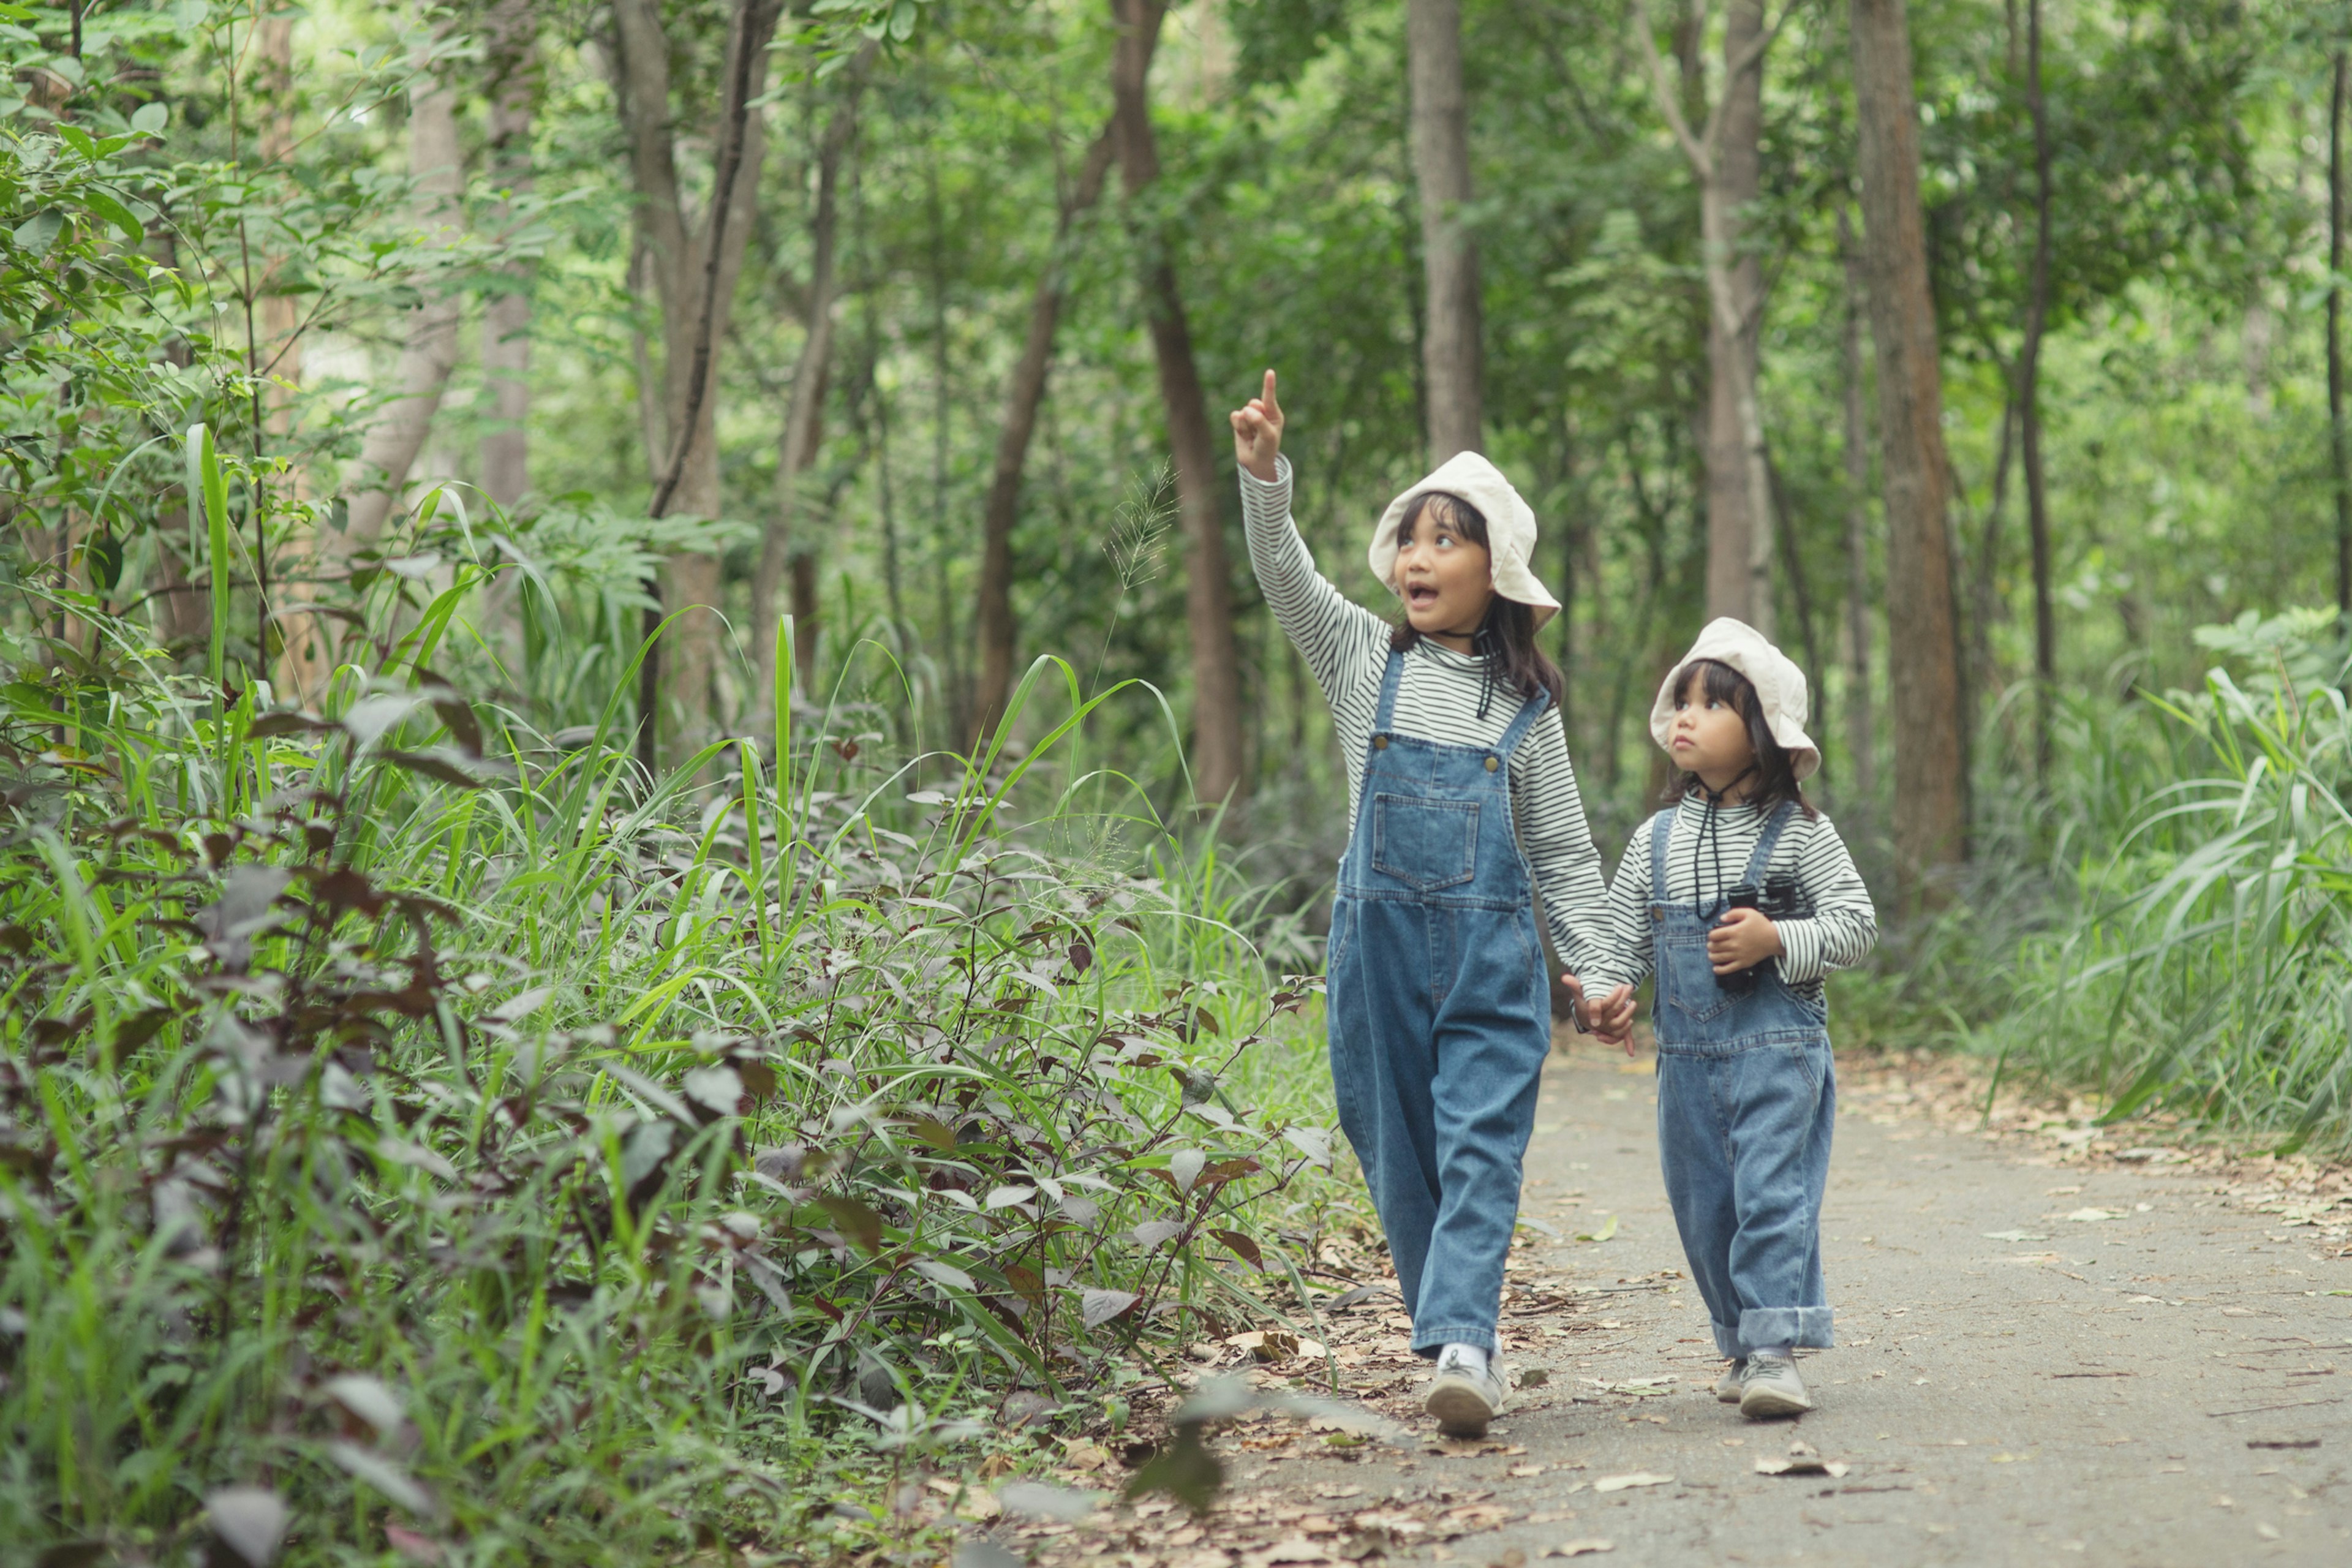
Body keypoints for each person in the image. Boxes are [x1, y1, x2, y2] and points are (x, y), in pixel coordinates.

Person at [1228, 371, 1634, 1438]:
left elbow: (1560, 846)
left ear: (1495, 571)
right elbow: (1287, 577)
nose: (1416, 556)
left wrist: (1598, 966)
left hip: (1493, 959)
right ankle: (1449, 1324)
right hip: (1378, 951)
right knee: (1395, 1141)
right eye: (1409, 537)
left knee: (1481, 1143)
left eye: (1445, 540)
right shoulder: (1364, 658)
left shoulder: (1528, 708)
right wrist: (1264, 473)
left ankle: (1465, 1342)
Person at [1583, 619, 1879, 1418]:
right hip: (1687, 1061)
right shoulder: (1655, 839)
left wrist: (1779, 937)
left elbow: (1856, 924)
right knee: (1703, 1200)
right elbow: (1620, 939)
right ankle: (1742, 1342)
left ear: (1765, 735)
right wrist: (1606, 991)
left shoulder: (1803, 835)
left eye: (1712, 704)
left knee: (1769, 1193)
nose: (1686, 714)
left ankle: (1777, 1349)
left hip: (1776, 1051)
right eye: (1681, 698)